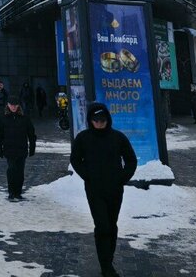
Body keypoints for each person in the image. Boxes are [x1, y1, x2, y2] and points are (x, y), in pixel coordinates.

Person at [70, 103, 138, 277]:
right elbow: (75, 159)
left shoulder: (118, 137)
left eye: (102, 120)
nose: (99, 123)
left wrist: (122, 178)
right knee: (102, 226)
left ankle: (109, 259)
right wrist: (87, 176)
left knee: (111, 225)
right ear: (90, 120)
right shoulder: (83, 138)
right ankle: (106, 266)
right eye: (96, 120)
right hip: (94, 190)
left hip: (115, 189)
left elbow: (131, 160)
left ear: (108, 119)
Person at [0, 97, 36, 201]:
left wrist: (32, 148)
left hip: (22, 149)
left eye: (15, 105)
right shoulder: (3, 118)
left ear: (18, 106)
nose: (13, 107)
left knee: (20, 172)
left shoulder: (24, 118)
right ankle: (11, 192)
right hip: (9, 149)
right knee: (11, 170)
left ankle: (18, 192)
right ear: (8, 105)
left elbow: (31, 134)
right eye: (11, 105)